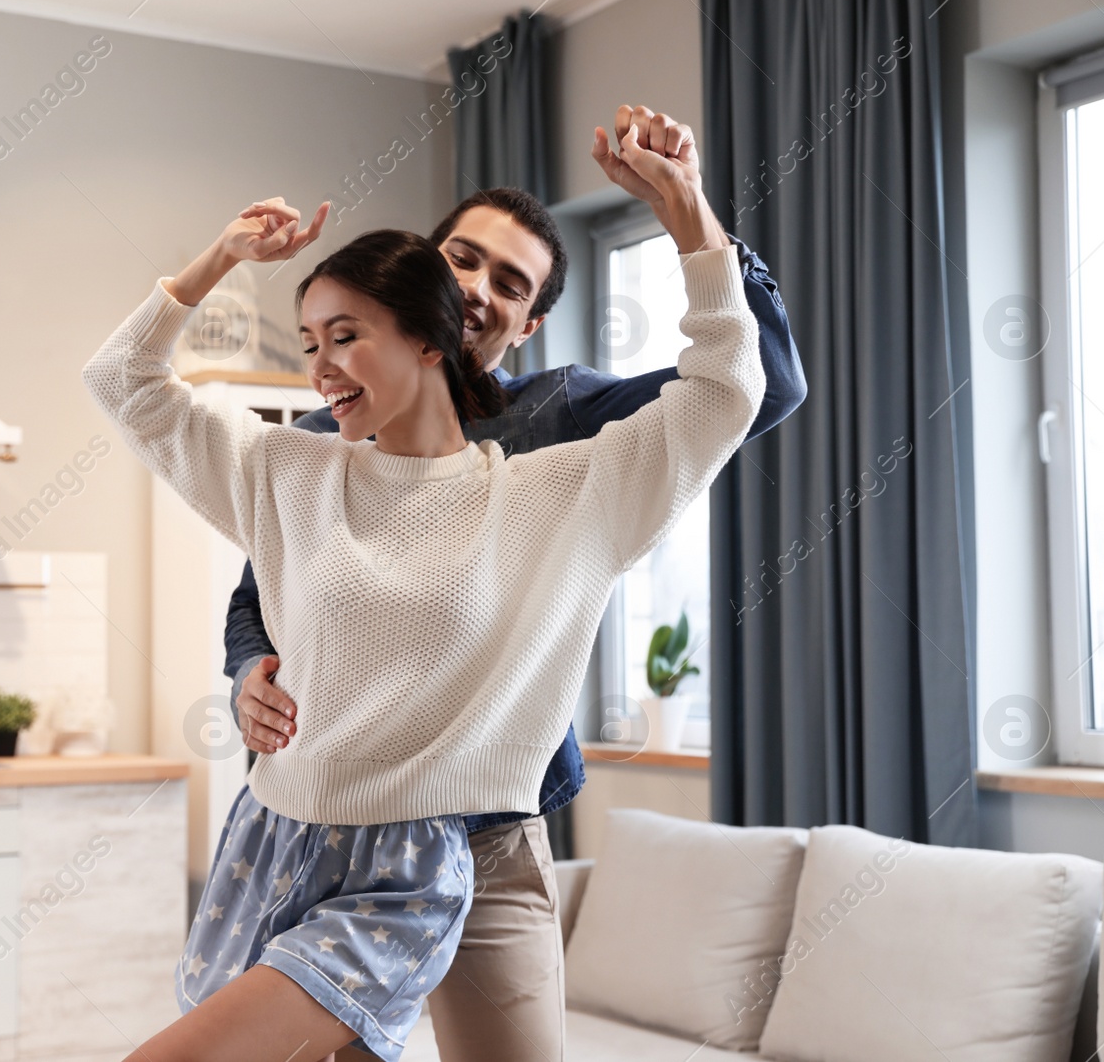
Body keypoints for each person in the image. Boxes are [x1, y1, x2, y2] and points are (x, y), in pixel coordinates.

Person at [82, 114, 765, 1062]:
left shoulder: (560, 482)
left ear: (433, 338)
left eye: (344, 336)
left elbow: (731, 392)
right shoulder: (295, 468)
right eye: (311, 339)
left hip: (453, 852)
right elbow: (125, 381)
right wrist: (221, 259)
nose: (317, 366)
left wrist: (686, 211)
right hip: (282, 833)